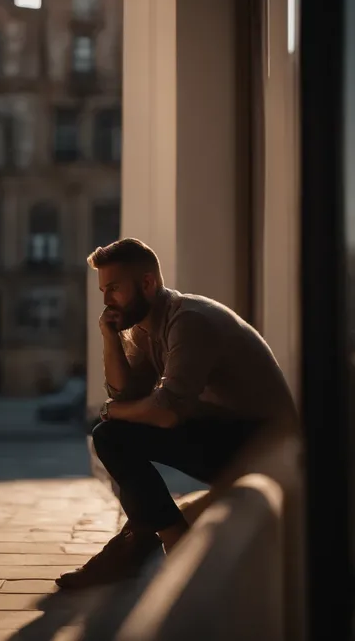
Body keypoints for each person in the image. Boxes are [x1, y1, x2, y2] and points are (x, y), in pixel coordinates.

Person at [56, 238, 296, 589]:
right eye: (103, 290)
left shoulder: (191, 321)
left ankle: (171, 545)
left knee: (112, 434)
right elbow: (128, 394)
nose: (107, 301)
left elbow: (165, 413)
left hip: (264, 447)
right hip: (226, 434)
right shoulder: (144, 327)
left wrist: (114, 410)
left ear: (148, 283)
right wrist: (109, 337)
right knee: (115, 433)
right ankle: (141, 542)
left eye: (114, 289)